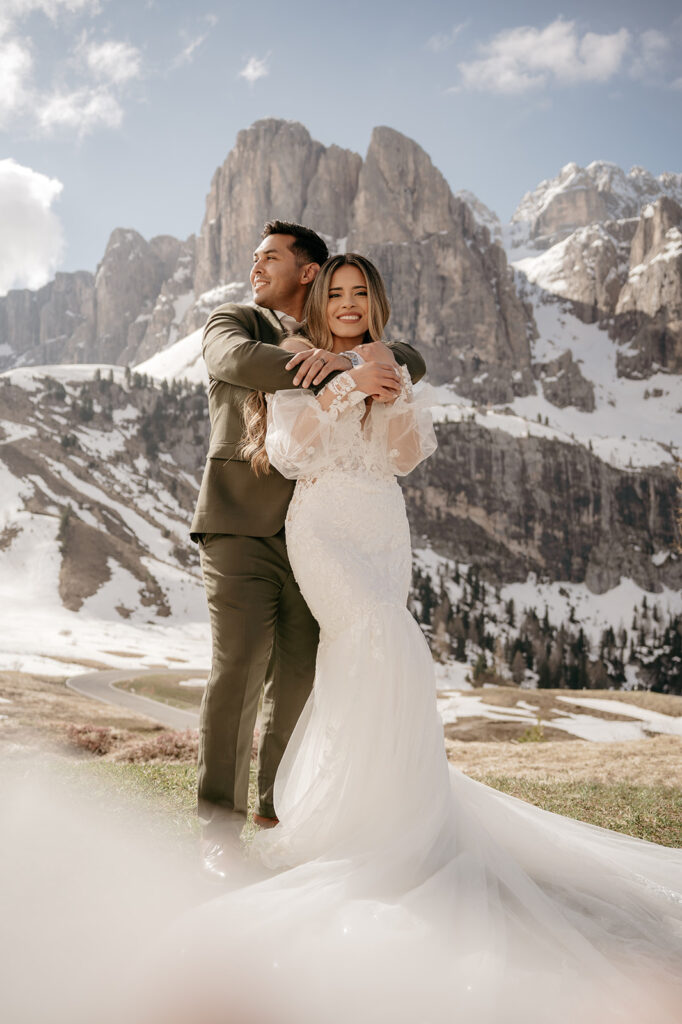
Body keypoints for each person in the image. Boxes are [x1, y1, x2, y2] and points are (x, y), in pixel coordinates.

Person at [164, 253, 682, 1024]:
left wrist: (389, 384)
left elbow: (404, 457)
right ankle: (354, 822)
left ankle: (388, 806)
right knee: (377, 639)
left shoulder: (391, 360)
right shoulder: (304, 367)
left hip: (380, 525)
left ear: (376, 302)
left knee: (384, 649)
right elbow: (289, 454)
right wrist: (343, 384)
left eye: (358, 294)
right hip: (323, 526)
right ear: (318, 303)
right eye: (333, 293)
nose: (344, 303)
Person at [190, 222, 426, 877]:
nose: (255, 267)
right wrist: (343, 368)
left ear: (309, 272)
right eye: (255, 257)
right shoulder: (234, 318)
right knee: (238, 666)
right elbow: (235, 363)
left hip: (317, 530)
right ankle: (219, 826)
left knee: (301, 673)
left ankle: (281, 806)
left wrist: (352, 355)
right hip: (241, 525)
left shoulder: (341, 331)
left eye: (270, 258)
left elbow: (407, 354)